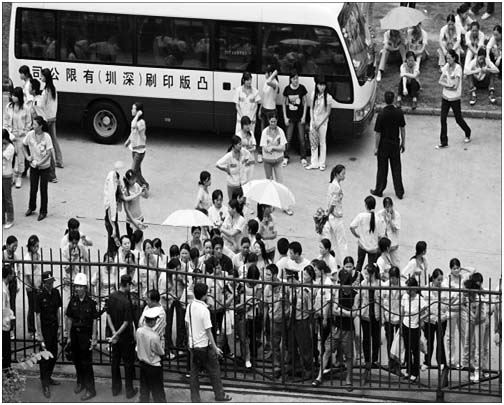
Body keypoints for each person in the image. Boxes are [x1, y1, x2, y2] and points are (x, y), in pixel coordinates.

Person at [185, 282, 232, 402]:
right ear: (204, 295)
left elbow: (187, 325)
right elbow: (208, 331)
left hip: (193, 345)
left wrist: (190, 340)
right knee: (214, 370)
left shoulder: (190, 306)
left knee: (194, 373)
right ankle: (220, 395)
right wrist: (215, 348)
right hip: (204, 346)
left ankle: (195, 398)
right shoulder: (204, 310)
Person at [312, 268, 356, 389]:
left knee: (348, 356)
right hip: (336, 327)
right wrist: (346, 312)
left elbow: (354, 314)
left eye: (347, 285)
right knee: (327, 351)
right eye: (343, 285)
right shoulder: (337, 292)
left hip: (348, 329)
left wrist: (342, 311)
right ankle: (319, 377)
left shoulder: (355, 294)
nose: (344, 288)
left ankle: (348, 379)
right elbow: (334, 310)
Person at [65, 272, 98, 401]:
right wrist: (68, 335)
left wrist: (94, 337)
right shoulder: (73, 301)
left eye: (80, 286)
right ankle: (81, 382)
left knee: (87, 363)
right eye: (76, 286)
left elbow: (94, 320)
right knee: (77, 361)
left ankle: (91, 389)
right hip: (75, 334)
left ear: (85, 288)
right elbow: (69, 318)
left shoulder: (91, 303)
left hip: (86, 335)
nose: (78, 289)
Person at [106, 274, 138, 399]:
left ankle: (115, 389)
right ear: (128, 284)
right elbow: (126, 322)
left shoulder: (112, 296)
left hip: (116, 336)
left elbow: (108, 315)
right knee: (128, 364)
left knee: (115, 362)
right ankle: (129, 390)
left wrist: (114, 333)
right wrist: (117, 333)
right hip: (125, 336)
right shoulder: (126, 301)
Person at [371, 91, 406, 199]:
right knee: (396, 168)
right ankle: (399, 192)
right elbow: (402, 129)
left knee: (382, 169)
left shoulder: (381, 114)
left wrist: (376, 147)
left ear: (384, 100)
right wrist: (403, 142)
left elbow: (378, 133)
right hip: (395, 144)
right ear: (393, 99)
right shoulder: (399, 113)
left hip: (383, 145)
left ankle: (379, 190)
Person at [34, 271, 62, 398]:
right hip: (44, 330)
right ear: (44, 283)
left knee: (54, 355)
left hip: (54, 328)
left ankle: (48, 376)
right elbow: (37, 316)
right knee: (44, 357)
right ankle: (44, 383)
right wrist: (39, 334)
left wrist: (60, 327)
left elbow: (58, 310)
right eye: (48, 282)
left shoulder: (56, 293)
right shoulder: (39, 296)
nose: (51, 284)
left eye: (52, 282)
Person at [437, 49, 471, 149]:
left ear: (454, 58)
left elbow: (455, 86)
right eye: (446, 58)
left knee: (458, 119)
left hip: (455, 98)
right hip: (445, 97)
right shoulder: (446, 66)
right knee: (443, 119)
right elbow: (440, 81)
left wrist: (447, 85)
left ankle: (467, 132)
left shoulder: (458, 68)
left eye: (449, 58)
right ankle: (444, 142)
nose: (448, 60)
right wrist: (448, 86)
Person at [23, 116, 53, 221]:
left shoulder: (47, 137)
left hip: (44, 167)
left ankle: (43, 211)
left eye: (35, 124)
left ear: (40, 126)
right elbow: (23, 145)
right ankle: (31, 207)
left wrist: (40, 163)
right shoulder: (30, 134)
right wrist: (27, 156)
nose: (33, 126)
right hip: (34, 166)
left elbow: (49, 153)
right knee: (33, 188)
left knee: (43, 189)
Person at [357, 263, 382, 384]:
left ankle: (374, 359)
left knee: (376, 338)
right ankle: (367, 361)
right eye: (365, 273)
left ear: (373, 274)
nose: (366, 275)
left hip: (376, 315)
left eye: (367, 273)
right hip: (365, 315)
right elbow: (359, 298)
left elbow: (382, 301)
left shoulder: (379, 284)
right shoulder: (363, 283)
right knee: (366, 339)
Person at [136, 306, 167, 402]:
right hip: (153, 365)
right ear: (153, 321)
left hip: (143, 363)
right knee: (157, 392)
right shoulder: (154, 336)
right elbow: (160, 352)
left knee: (144, 389)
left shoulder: (139, 331)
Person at [4, 86, 31, 188]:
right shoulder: (9, 107)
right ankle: (11, 177)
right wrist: (8, 133)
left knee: (20, 158)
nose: (13, 97)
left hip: (21, 136)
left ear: (19, 97)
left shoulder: (25, 108)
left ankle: (19, 177)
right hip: (10, 136)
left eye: (15, 95)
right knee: (10, 157)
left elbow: (29, 123)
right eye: (12, 95)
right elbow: (5, 121)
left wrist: (24, 133)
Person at [401, 277, 427, 382]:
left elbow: (426, 312)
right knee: (407, 349)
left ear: (415, 289)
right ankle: (408, 369)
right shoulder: (405, 296)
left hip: (415, 328)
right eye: (407, 289)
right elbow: (402, 311)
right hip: (405, 325)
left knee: (415, 351)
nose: (408, 291)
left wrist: (420, 320)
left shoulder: (420, 299)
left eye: (410, 289)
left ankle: (415, 372)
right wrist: (401, 325)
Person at [322, 165, 348, 268]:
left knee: (333, 240)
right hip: (336, 217)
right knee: (342, 242)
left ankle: (336, 262)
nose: (344, 176)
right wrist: (329, 213)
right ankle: (345, 263)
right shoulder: (336, 187)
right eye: (342, 174)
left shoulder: (333, 184)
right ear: (337, 174)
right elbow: (333, 203)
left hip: (332, 217)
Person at [349, 195, 384, 273]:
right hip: (373, 248)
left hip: (362, 245)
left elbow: (351, 227)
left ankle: (357, 278)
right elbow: (380, 236)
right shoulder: (378, 219)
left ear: (366, 205)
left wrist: (356, 235)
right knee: (371, 269)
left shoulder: (361, 216)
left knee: (359, 264)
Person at [306, 75, 334, 171]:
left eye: (323, 85)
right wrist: (313, 121)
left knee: (322, 142)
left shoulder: (329, 97)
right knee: (313, 142)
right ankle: (314, 163)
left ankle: (322, 163)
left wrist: (320, 124)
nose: (322, 87)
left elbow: (328, 113)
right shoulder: (313, 94)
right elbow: (311, 108)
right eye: (320, 85)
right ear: (317, 85)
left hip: (323, 123)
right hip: (314, 122)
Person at [422, 268, 448, 371]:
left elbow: (447, 304)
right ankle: (426, 361)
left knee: (440, 341)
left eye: (441, 279)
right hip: (429, 319)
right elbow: (423, 305)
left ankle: (441, 362)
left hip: (441, 319)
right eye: (438, 280)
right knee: (429, 341)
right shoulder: (425, 289)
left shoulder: (445, 289)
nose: (440, 282)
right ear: (433, 279)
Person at [282, 69, 308, 167]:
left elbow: (305, 103)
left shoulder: (302, 88)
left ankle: (303, 157)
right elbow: (283, 103)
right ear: (290, 79)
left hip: (300, 117)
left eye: (297, 78)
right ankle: (286, 157)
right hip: (290, 117)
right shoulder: (287, 89)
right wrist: (285, 117)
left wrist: (304, 116)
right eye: (294, 79)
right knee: (288, 138)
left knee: (302, 138)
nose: (296, 80)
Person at [216, 135, 252, 201]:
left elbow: (249, 156)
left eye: (241, 144)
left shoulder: (244, 151)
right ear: (234, 145)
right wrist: (225, 169)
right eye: (239, 144)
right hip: (232, 184)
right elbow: (218, 164)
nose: (241, 146)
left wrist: (245, 162)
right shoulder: (229, 156)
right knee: (232, 202)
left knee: (242, 202)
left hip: (243, 184)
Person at [41, 68, 61, 182]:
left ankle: (52, 172)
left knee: (47, 144)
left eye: (42, 76)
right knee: (54, 139)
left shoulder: (46, 91)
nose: (41, 78)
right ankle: (59, 160)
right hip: (53, 117)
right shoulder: (53, 88)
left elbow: (42, 106)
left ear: (46, 77)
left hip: (47, 119)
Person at [381, 266, 402, 375]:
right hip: (388, 316)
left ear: (398, 277)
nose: (392, 280)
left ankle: (398, 364)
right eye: (391, 277)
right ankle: (391, 362)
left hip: (399, 317)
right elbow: (381, 301)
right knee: (389, 340)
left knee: (398, 342)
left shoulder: (403, 286)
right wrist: (383, 316)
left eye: (394, 277)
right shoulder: (385, 286)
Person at [124, 102, 149, 189]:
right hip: (134, 150)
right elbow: (133, 132)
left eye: (133, 109)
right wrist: (128, 141)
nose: (131, 110)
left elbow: (133, 125)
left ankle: (132, 187)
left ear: (138, 111)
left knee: (133, 171)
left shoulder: (141, 122)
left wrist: (137, 115)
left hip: (140, 152)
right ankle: (143, 185)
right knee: (137, 171)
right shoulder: (136, 121)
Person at [259, 65, 280, 163]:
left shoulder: (274, 83)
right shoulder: (267, 81)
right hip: (264, 109)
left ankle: (270, 152)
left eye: (266, 73)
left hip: (271, 111)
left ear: (270, 73)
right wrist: (260, 109)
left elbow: (268, 82)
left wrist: (274, 74)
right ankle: (261, 152)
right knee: (263, 133)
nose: (265, 74)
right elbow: (264, 96)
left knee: (271, 134)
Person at [104, 161, 125, 254]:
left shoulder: (114, 185)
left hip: (113, 219)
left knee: (114, 242)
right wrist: (114, 228)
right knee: (113, 243)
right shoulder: (110, 200)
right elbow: (110, 211)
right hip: (111, 219)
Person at [24, 235, 42, 336]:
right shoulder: (27, 258)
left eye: (37, 246)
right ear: (30, 247)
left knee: (37, 308)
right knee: (32, 308)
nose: (36, 248)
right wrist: (35, 287)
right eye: (35, 246)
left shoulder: (37, 255)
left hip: (38, 284)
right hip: (31, 287)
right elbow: (29, 276)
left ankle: (38, 329)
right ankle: (31, 330)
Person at [122, 169, 148, 240]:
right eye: (131, 179)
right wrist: (134, 222)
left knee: (140, 241)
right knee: (132, 242)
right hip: (131, 221)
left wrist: (145, 190)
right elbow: (126, 210)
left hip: (140, 218)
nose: (133, 181)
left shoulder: (136, 185)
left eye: (134, 178)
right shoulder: (126, 191)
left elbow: (146, 196)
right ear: (127, 180)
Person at [234, 71, 260, 136]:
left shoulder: (255, 91)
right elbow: (237, 106)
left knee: (250, 137)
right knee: (239, 137)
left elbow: (256, 106)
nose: (249, 82)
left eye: (250, 80)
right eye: (247, 80)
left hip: (251, 119)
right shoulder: (238, 90)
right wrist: (243, 118)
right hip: (240, 119)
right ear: (243, 80)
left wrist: (251, 118)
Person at [377, 197, 401, 267]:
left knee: (395, 263)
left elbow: (395, 229)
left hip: (392, 243)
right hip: (383, 243)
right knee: (382, 263)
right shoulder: (380, 213)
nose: (388, 209)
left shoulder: (397, 215)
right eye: (386, 207)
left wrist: (390, 220)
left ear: (392, 205)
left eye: (390, 206)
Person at [2, 264, 15, 370]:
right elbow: (3, 308)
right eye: (12, 273)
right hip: (3, 325)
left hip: (5, 323)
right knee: (5, 350)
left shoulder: (5, 287)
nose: (14, 275)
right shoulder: (3, 290)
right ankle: (6, 369)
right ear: (8, 275)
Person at [3, 129, 15, 228]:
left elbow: (4, 157)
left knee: (8, 199)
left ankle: (10, 219)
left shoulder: (10, 147)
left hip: (7, 176)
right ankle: (2, 218)